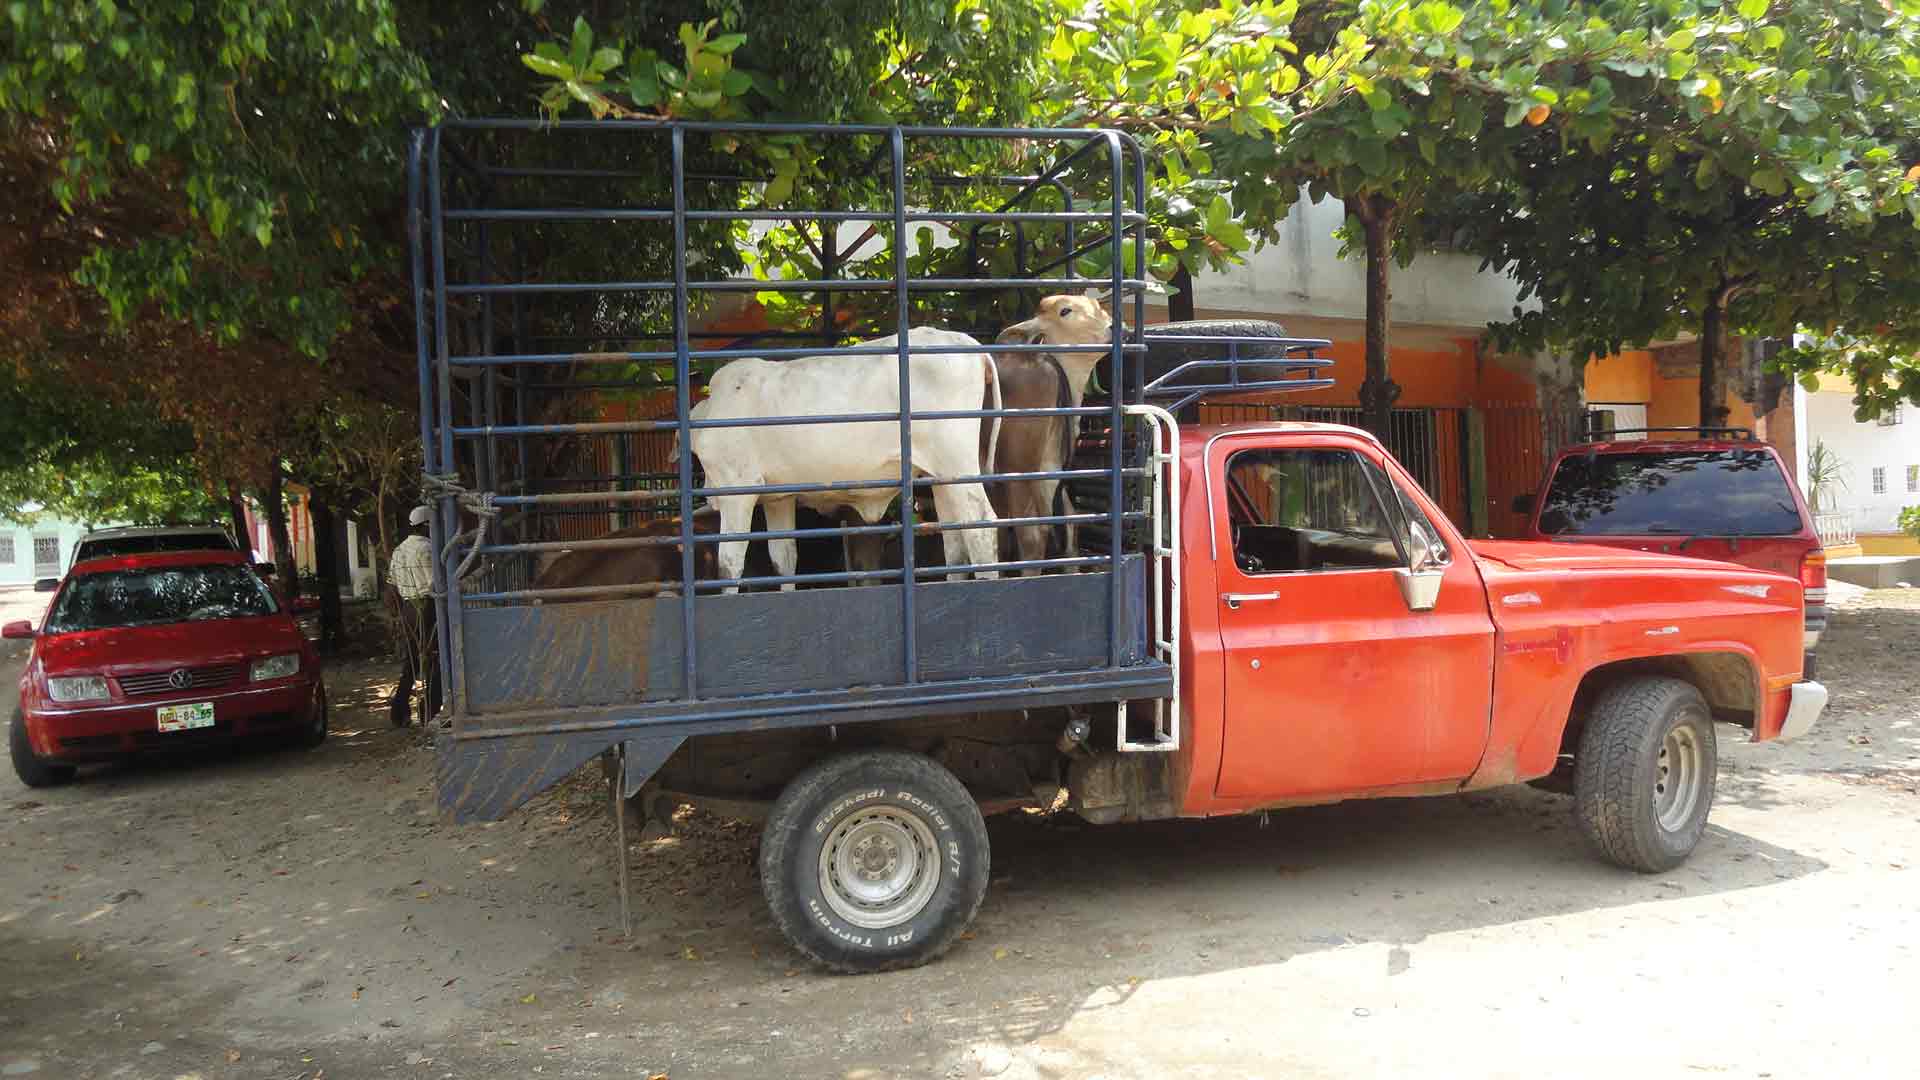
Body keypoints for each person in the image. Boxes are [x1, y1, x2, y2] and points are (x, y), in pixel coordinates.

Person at [387, 506, 441, 728]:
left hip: (408, 609)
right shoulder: (428, 549)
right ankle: (428, 709)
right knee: (438, 659)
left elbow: (392, 584)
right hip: (427, 608)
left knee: (411, 662)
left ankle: (399, 711)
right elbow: (435, 584)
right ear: (427, 526)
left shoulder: (399, 550)